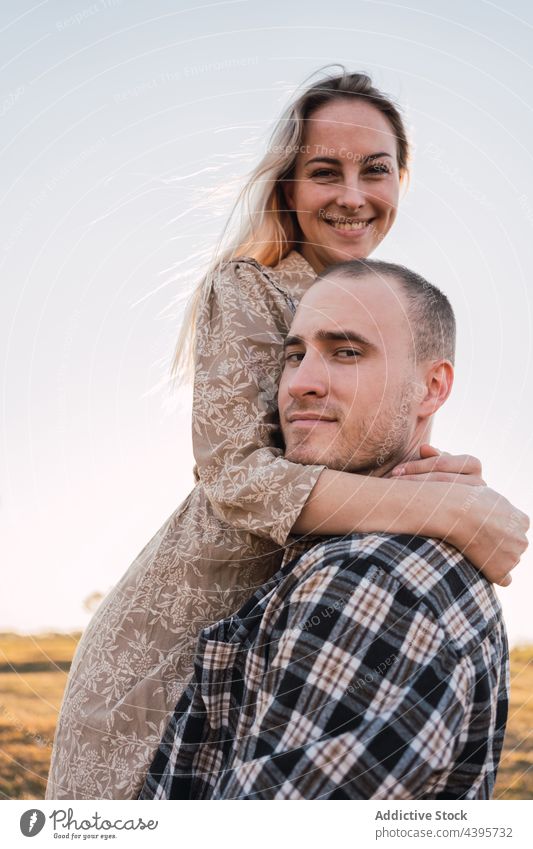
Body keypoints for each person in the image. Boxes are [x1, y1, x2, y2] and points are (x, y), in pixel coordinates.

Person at [46, 69, 527, 801]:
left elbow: (375, 455)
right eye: (323, 171)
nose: (352, 195)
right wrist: (450, 511)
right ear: (288, 186)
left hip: (299, 629)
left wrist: (440, 473)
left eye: (376, 170)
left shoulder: (386, 301)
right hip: (171, 647)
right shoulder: (249, 284)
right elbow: (237, 478)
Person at [140, 260, 512, 800]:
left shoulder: (373, 580)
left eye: (347, 352)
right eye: (295, 355)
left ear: (432, 388)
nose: (300, 384)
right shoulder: (352, 552)